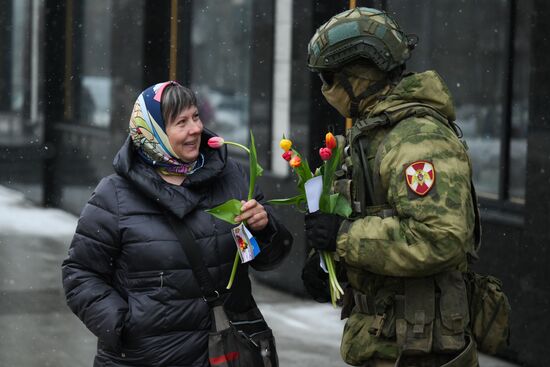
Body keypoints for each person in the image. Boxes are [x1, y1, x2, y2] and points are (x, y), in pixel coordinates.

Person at [62, 81, 292, 366]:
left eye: (196, 116)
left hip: (225, 352)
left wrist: (264, 227)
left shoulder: (231, 176)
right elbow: (80, 273)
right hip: (147, 358)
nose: (195, 128)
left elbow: (265, 259)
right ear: (152, 133)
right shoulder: (114, 195)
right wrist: (122, 325)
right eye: (181, 122)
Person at [302, 7, 480, 367]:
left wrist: (343, 237)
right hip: (384, 340)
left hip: (420, 350)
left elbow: (440, 237)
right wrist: (328, 266)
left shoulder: (417, 139)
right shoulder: (376, 133)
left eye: (330, 78)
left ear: (359, 75)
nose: (326, 90)